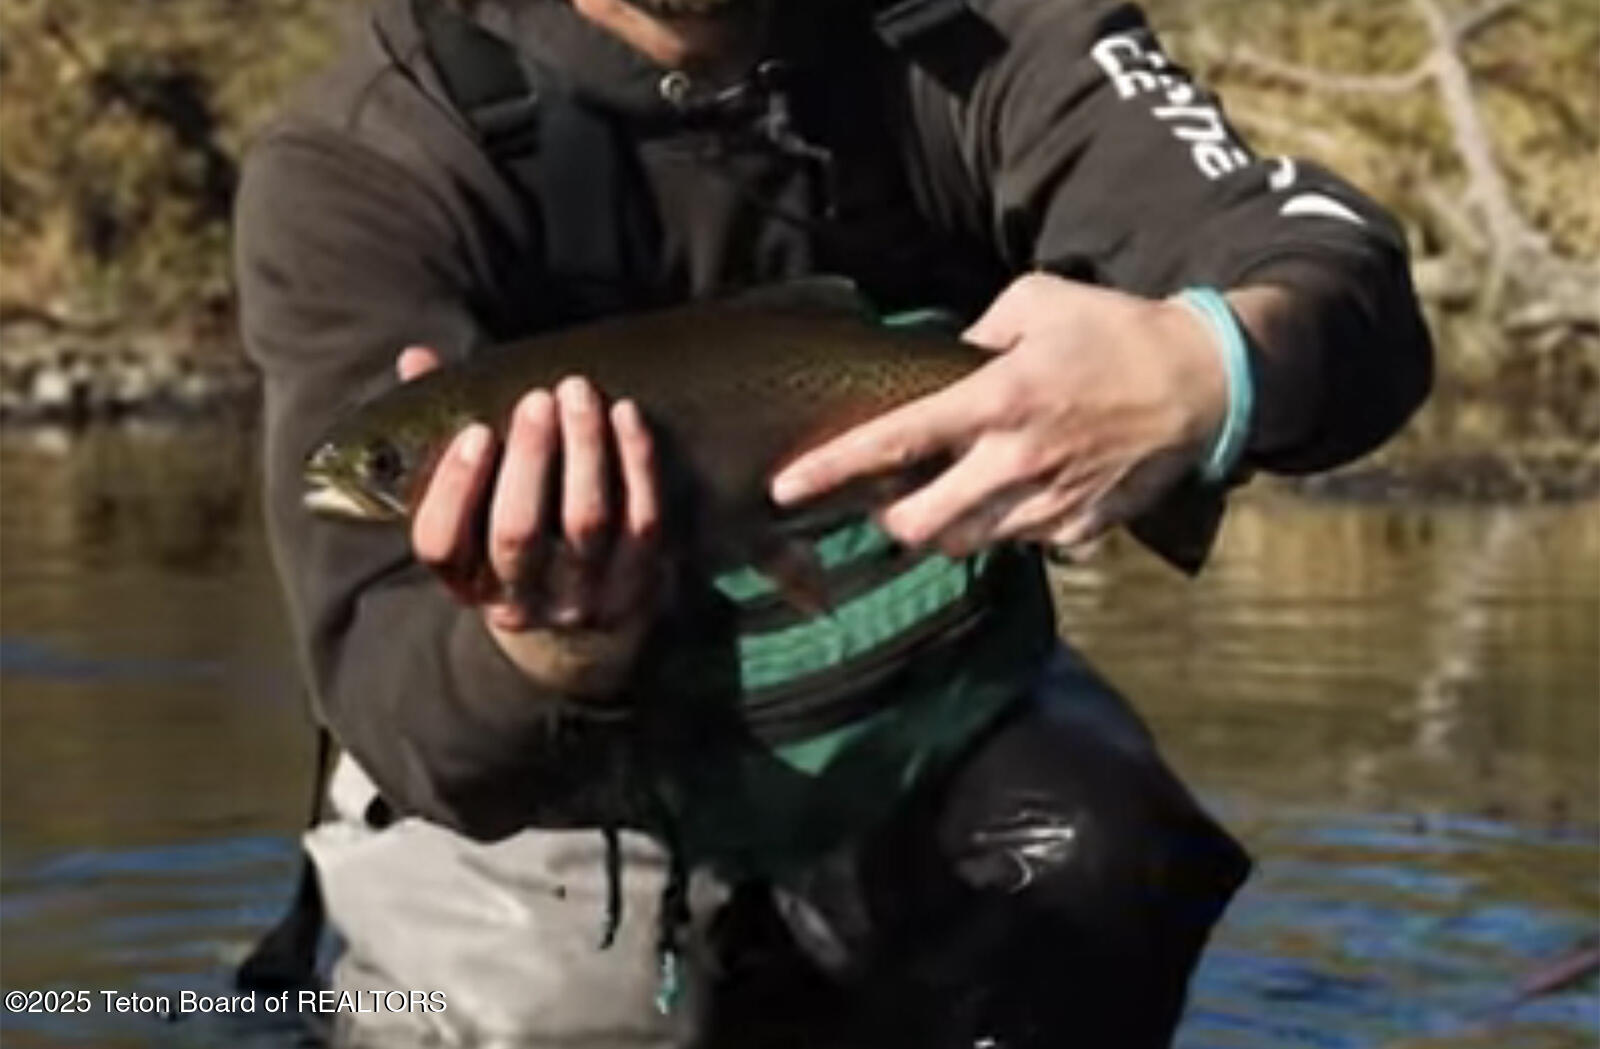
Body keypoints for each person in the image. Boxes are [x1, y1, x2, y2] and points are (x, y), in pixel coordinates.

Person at [233, 0, 1433, 1045]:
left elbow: (1331, 273)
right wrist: (547, 644)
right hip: (552, 794)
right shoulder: (369, 155)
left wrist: (1207, 366)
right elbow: (399, 709)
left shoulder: (981, 30)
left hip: (915, 718)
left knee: (1107, 868)